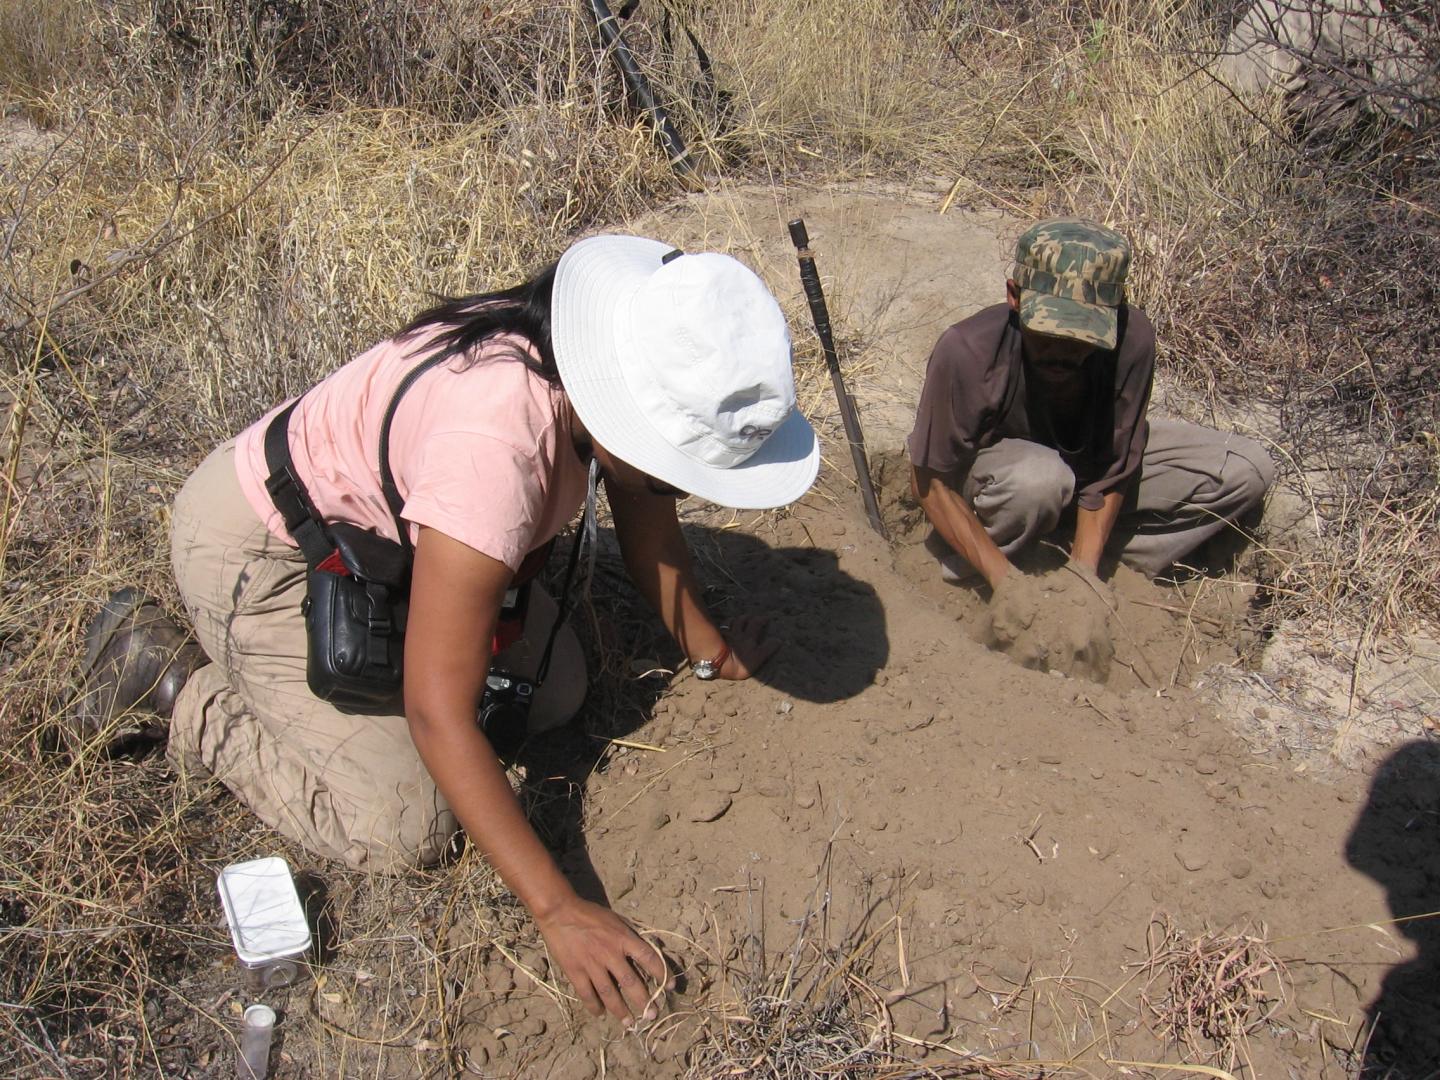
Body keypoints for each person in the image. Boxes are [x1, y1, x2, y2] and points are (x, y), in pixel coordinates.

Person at [70, 235, 819, 1025]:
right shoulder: (494, 451)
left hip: (388, 554)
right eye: (672, 465)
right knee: (401, 825)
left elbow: (648, 524)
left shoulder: (604, 365)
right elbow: (439, 710)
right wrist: (559, 909)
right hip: (271, 552)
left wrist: (711, 651)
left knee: (557, 691)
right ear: (623, 416)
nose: (674, 487)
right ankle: (169, 684)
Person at [908, 217, 1275, 602]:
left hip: (1080, 480)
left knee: (1245, 468)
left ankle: (1080, 560)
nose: (1063, 351)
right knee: (1039, 480)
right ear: (1015, 297)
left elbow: (1115, 466)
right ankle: (991, 569)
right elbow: (929, 481)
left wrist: (1082, 582)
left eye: (1083, 336)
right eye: (1049, 333)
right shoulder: (967, 350)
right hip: (1005, 488)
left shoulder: (1132, 340)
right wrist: (1010, 591)